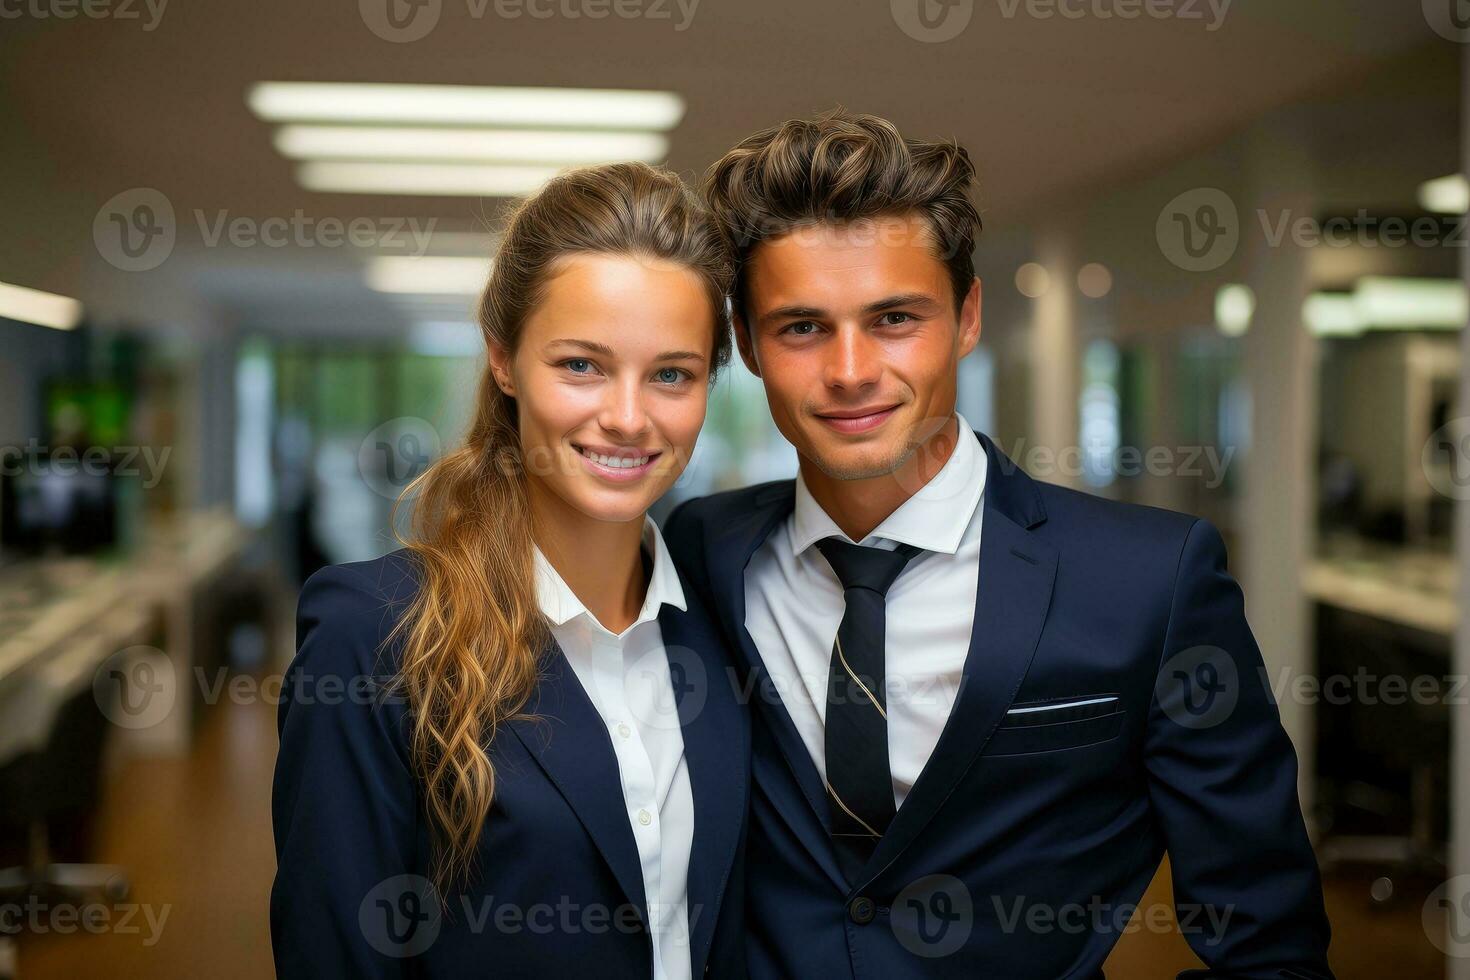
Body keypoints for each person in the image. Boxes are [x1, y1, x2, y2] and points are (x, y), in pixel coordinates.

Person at [663, 111, 1334, 979]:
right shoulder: (703, 549)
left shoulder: (1150, 582)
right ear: (748, 345)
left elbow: (1267, 940)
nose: (851, 369)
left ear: (968, 316)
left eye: (896, 317)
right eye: (801, 327)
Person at [271, 162, 749, 980]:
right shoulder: (376, 634)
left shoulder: (724, 621)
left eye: (672, 373)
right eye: (581, 365)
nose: (629, 417)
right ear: (502, 359)